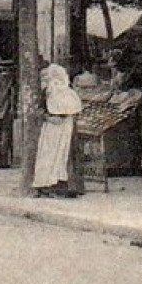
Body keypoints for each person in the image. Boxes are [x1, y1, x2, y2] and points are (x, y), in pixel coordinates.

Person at [32, 62, 84, 197]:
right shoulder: (48, 92)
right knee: (50, 154)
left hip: (65, 126)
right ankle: (46, 184)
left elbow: (74, 109)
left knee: (61, 154)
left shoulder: (68, 92)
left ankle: (61, 184)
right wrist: (48, 118)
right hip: (52, 127)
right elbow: (40, 109)